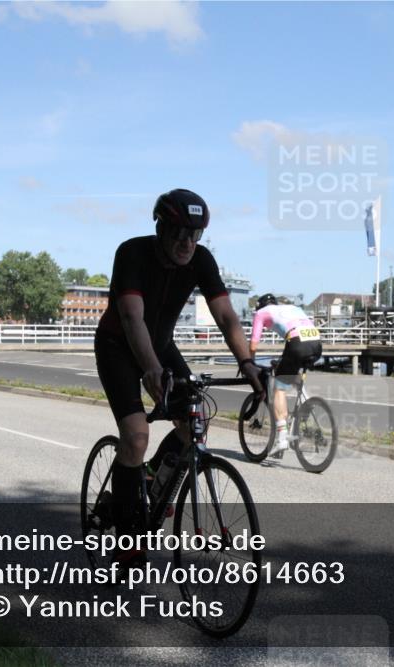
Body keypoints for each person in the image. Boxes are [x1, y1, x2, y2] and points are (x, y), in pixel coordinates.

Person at [93, 188, 263, 568]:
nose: (187, 242)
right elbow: (132, 317)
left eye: (195, 234)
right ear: (161, 227)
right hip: (119, 346)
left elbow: (226, 317)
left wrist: (248, 363)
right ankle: (127, 533)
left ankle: (155, 477)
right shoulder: (132, 253)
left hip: (161, 345)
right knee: (136, 436)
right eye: (179, 232)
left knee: (193, 422)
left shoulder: (201, 260)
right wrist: (151, 368)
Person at [248, 294, 322, 458]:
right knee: (292, 373)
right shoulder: (293, 308)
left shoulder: (261, 313)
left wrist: (251, 364)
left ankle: (282, 438)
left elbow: (253, 344)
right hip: (316, 343)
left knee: (279, 388)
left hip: (296, 343)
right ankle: (307, 402)